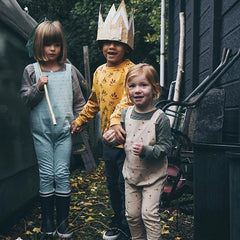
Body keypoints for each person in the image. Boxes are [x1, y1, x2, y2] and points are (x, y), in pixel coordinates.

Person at [71, 2, 134, 239]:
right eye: (107, 42)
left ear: (126, 47)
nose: (111, 47)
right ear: (100, 46)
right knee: (111, 184)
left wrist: (117, 122)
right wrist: (81, 120)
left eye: (117, 43)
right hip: (109, 141)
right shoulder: (98, 72)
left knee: (125, 183)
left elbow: (128, 101)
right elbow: (94, 101)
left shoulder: (132, 70)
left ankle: (130, 224)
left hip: (128, 139)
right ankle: (118, 218)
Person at [20, 20, 85, 238]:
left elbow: (79, 102)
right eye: (47, 44)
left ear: (61, 46)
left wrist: (79, 121)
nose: (52, 49)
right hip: (41, 133)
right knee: (47, 174)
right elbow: (25, 100)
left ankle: (63, 221)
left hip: (64, 132)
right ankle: (47, 220)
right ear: (39, 45)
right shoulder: (32, 70)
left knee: (62, 172)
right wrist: (38, 87)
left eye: (56, 44)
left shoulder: (69, 70)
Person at [103, 63, 172, 240]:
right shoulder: (125, 114)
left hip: (153, 176)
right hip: (131, 175)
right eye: (132, 86)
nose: (137, 90)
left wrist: (146, 150)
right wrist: (111, 138)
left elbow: (166, 148)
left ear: (154, 88)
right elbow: (123, 138)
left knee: (148, 215)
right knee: (132, 216)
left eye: (143, 85)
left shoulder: (160, 118)